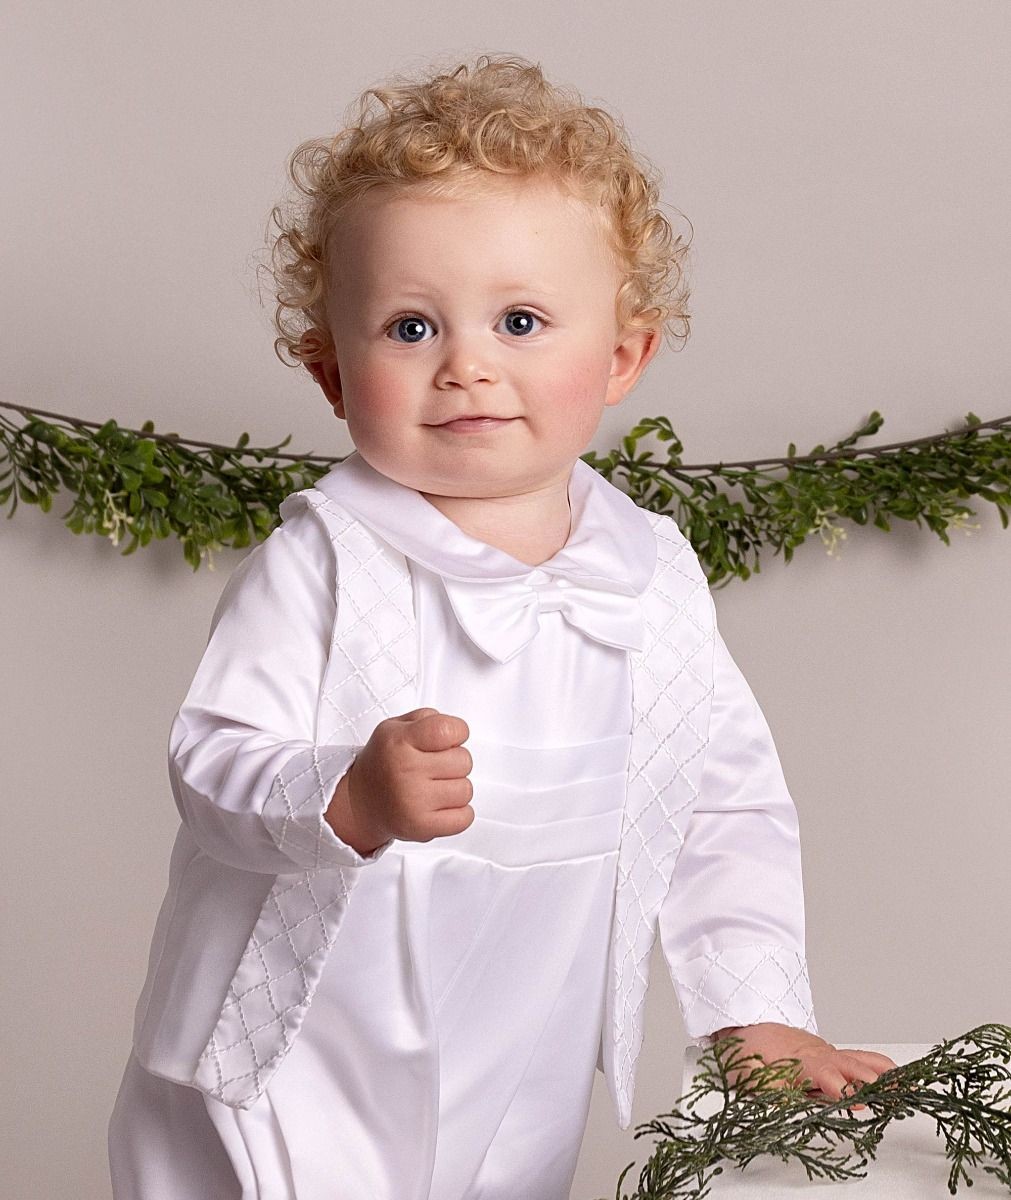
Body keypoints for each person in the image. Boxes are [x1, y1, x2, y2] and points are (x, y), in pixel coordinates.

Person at [108, 53, 897, 1200]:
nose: (469, 364)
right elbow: (212, 757)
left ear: (622, 356)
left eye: (521, 320)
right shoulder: (325, 557)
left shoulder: (649, 573)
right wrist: (345, 792)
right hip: (305, 1037)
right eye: (411, 328)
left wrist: (756, 1011)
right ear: (333, 374)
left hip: (517, 1032)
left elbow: (720, 801)